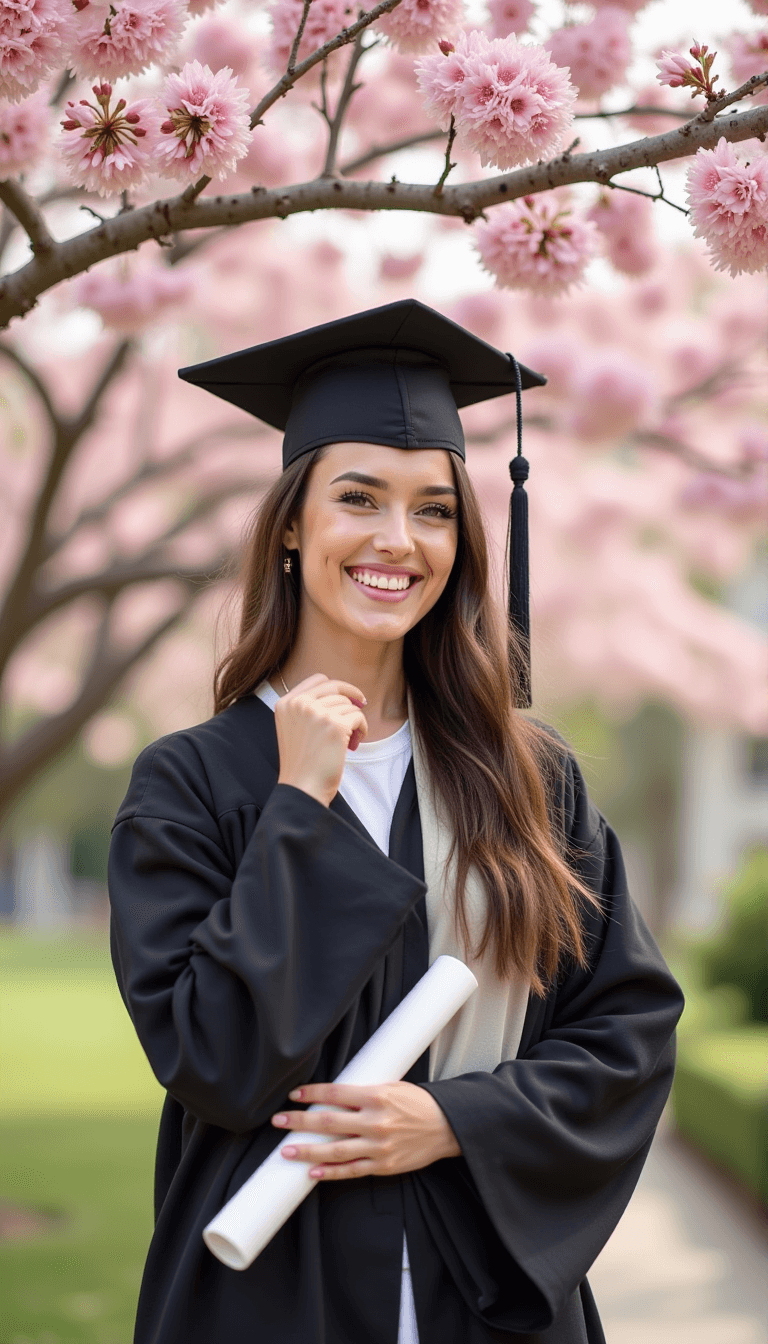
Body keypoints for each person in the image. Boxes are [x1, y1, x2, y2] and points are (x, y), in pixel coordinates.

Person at [108, 299, 684, 1344]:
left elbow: (626, 1029)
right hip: (274, 1293)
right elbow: (217, 1059)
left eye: (434, 509)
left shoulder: (525, 776)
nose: (397, 541)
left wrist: (457, 1121)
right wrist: (298, 808)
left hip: (485, 1292)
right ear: (291, 523)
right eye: (360, 498)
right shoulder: (194, 782)